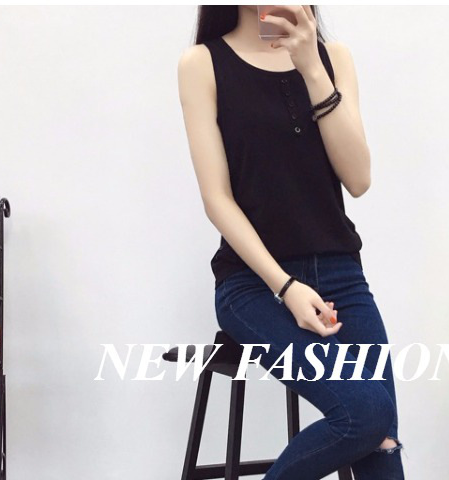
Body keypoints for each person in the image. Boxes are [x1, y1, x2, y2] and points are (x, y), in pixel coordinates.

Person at [178, 5, 404, 479]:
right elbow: (217, 199)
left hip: (341, 276)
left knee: (381, 441)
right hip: (253, 285)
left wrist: (311, 68)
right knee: (366, 414)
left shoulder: (333, 58)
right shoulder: (203, 64)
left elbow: (358, 179)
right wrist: (285, 286)